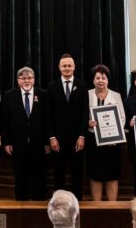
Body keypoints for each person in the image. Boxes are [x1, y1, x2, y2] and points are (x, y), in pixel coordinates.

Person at [1, 66, 50, 200]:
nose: (26, 81)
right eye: (23, 78)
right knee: (20, 176)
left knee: (39, 177)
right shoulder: (9, 95)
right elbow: (5, 121)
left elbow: (47, 119)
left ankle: (39, 205)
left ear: (34, 79)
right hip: (17, 144)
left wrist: (47, 141)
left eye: (29, 78)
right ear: (18, 80)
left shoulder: (43, 94)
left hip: (39, 144)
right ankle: (21, 206)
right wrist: (6, 142)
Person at [47, 54, 88, 200]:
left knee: (77, 173)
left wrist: (82, 136)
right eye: (64, 66)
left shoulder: (82, 85)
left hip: (77, 139)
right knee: (58, 173)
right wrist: (52, 137)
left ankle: (78, 204)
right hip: (57, 139)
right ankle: (58, 203)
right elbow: (48, 114)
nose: (67, 68)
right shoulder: (52, 86)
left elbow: (85, 113)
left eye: (69, 65)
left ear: (74, 67)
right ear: (59, 67)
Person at [86, 64, 126, 201]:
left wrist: (115, 136)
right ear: (93, 80)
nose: (100, 81)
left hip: (112, 143)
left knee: (112, 175)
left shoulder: (116, 95)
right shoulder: (87, 95)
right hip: (93, 141)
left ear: (108, 80)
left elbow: (122, 118)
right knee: (95, 175)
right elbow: (81, 115)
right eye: (97, 78)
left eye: (103, 78)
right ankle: (97, 207)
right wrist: (88, 122)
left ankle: (112, 207)